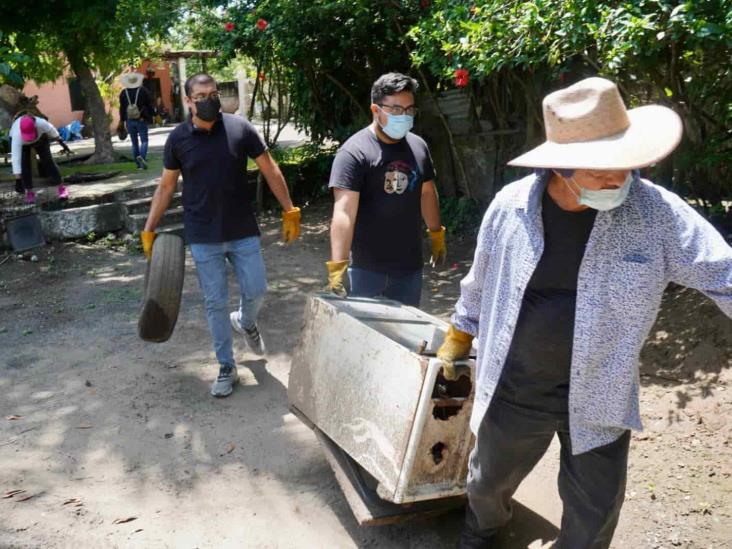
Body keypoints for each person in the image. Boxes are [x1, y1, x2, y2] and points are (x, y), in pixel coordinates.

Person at [436, 77, 732, 548]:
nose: (619, 180)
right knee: (486, 485)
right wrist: (461, 331)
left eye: (626, 167)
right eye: (601, 171)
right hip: (515, 386)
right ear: (562, 167)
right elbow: (480, 280)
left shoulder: (656, 214)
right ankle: (483, 534)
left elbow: (724, 272)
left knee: (594, 513)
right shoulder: (509, 210)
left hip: (602, 391)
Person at [141, 73, 301, 398]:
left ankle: (245, 319)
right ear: (188, 101)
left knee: (257, 289)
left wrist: (289, 208)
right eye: (201, 95)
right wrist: (149, 228)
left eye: (213, 93)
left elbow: (270, 168)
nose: (209, 99)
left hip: (242, 229)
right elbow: (166, 186)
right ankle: (227, 366)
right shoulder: (178, 139)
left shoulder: (240, 128)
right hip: (202, 235)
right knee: (215, 303)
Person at [326, 72, 446, 307]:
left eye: (410, 110)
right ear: (375, 110)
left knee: (406, 339)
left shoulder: (418, 147)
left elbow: (427, 192)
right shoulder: (354, 153)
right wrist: (337, 267)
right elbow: (344, 213)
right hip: (366, 271)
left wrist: (436, 233)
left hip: (409, 269)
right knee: (367, 339)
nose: (404, 116)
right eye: (396, 110)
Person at [10, 114, 71, 204]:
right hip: (23, 144)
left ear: (35, 126)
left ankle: (62, 189)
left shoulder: (41, 123)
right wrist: (18, 180)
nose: (30, 139)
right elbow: (16, 158)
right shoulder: (16, 135)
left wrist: (61, 142)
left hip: (40, 139)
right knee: (25, 167)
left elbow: (52, 130)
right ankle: (29, 193)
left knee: (48, 161)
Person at [119, 72, 153, 170]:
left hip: (129, 121)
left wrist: (122, 120)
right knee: (144, 141)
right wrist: (154, 115)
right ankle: (142, 158)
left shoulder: (123, 93)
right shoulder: (143, 91)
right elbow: (149, 105)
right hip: (141, 119)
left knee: (134, 143)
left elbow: (122, 108)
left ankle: (138, 165)